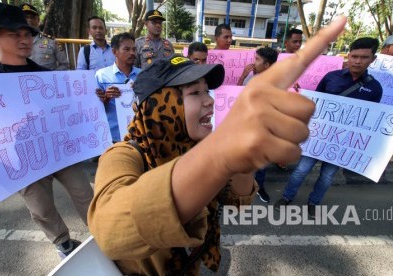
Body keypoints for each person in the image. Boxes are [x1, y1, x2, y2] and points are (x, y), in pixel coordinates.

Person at [88, 16, 348, 275]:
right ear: (158, 107)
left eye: (207, 91)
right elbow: (111, 233)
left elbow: (238, 201)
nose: (209, 101)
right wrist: (218, 154)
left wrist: (245, 161)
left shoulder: (197, 144)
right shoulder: (122, 154)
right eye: (194, 93)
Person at [0, 3, 93, 259]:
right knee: (41, 208)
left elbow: (68, 108)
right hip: (22, 160)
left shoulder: (44, 76)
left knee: (84, 192)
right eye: (14, 34)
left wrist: (95, 99)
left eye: (27, 33)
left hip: (58, 149)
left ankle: (101, 231)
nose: (24, 39)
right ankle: (63, 244)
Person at [274, 37, 383, 218]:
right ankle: (286, 197)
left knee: (327, 177)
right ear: (348, 55)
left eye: (364, 57)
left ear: (373, 59)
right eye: (354, 56)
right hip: (319, 136)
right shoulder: (331, 77)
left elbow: (370, 120)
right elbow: (317, 104)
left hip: (342, 142)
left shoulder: (375, 88)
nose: (357, 61)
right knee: (301, 170)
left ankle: (313, 203)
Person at [237, 47, 279, 203]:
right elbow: (235, 96)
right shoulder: (252, 78)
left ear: (267, 65)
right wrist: (242, 77)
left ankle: (259, 186)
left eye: (257, 60)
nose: (253, 63)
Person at [95, 32, 141, 142]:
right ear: (115, 52)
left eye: (134, 49)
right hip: (112, 137)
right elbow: (93, 110)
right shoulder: (101, 76)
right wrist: (105, 98)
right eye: (127, 49)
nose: (132, 53)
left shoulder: (142, 75)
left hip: (138, 135)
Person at [20, 3, 69, 70]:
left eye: (32, 17)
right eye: (26, 17)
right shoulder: (13, 43)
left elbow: (64, 65)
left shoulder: (51, 41)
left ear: (38, 20)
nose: (29, 20)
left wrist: (52, 75)